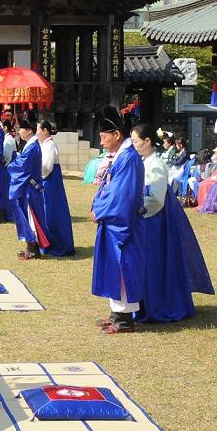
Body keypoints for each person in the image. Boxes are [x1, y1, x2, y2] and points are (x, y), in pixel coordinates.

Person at [128, 122, 213, 326]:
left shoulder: (155, 164)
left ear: (147, 142)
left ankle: (158, 304)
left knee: (155, 261)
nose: (133, 145)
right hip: (150, 215)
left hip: (155, 219)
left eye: (135, 142)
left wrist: (137, 211)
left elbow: (156, 199)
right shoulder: (144, 161)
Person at [91, 106, 146, 333]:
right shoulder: (122, 156)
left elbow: (121, 196)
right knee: (113, 268)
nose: (102, 142)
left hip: (121, 224)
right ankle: (116, 313)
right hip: (112, 222)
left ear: (116, 135)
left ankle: (124, 319)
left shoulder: (129, 159)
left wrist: (99, 210)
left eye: (104, 137)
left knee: (122, 268)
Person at [6, 117, 49, 261]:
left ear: (29, 131)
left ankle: (33, 249)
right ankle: (30, 247)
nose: (19, 132)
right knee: (27, 216)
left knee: (31, 218)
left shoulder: (32, 147)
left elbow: (23, 166)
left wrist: (11, 165)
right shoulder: (31, 145)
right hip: (28, 187)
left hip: (30, 188)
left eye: (21, 129)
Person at [33, 119, 75, 256]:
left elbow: (47, 167)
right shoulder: (44, 144)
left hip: (50, 182)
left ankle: (56, 244)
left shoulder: (50, 145)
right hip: (47, 180)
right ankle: (48, 242)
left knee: (52, 212)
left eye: (38, 129)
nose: (37, 132)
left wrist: (36, 174)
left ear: (45, 130)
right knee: (48, 212)